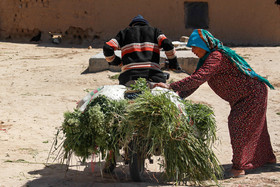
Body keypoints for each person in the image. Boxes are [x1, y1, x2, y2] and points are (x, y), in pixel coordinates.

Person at [154, 29, 276, 178]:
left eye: (194, 47)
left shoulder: (216, 57)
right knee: (256, 127)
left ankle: (239, 168)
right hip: (246, 96)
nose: (192, 51)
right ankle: (268, 159)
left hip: (252, 94)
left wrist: (170, 86)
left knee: (238, 124)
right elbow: (195, 83)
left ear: (203, 45)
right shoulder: (205, 60)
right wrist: (177, 96)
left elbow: (198, 78)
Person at [103, 15, 180, 86]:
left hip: (128, 77)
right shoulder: (155, 31)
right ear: (146, 25)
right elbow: (168, 44)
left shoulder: (124, 33)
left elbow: (107, 48)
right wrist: (173, 63)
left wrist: (117, 61)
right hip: (153, 76)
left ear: (131, 26)